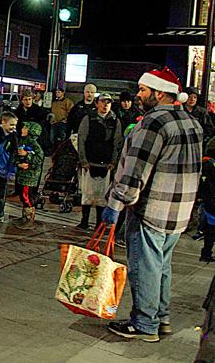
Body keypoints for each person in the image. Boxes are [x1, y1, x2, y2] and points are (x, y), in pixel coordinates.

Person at [103, 67, 203, 342]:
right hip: (179, 211)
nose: (138, 94)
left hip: (152, 210)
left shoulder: (153, 122)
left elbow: (136, 171)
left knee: (145, 267)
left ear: (159, 93)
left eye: (143, 90)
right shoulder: (192, 122)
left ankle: (145, 323)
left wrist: (115, 204)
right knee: (162, 265)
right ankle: (162, 318)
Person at [76, 93, 123, 230]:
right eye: (102, 102)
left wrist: (114, 162)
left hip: (106, 164)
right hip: (89, 162)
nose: (105, 105)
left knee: (102, 197)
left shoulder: (115, 121)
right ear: (97, 103)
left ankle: (99, 224)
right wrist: (83, 160)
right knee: (87, 194)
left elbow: (117, 143)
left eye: (108, 102)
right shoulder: (88, 118)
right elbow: (81, 140)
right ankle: (84, 221)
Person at [13, 121, 44, 230]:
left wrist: (27, 156)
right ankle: (24, 216)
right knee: (22, 195)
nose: (22, 130)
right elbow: (16, 155)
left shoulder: (34, 145)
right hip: (22, 174)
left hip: (30, 177)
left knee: (27, 196)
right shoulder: (23, 141)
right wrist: (17, 163)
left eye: (25, 128)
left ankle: (29, 218)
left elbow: (39, 159)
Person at [14, 89, 50, 153]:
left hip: (35, 140)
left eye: (30, 99)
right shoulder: (18, 111)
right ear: (22, 100)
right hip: (21, 138)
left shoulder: (38, 110)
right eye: (25, 99)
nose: (28, 102)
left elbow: (41, 126)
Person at [198, 146, 215, 262]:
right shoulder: (209, 164)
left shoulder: (207, 164)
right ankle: (206, 253)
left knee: (211, 229)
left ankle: (206, 253)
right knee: (211, 230)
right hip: (211, 202)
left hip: (210, 202)